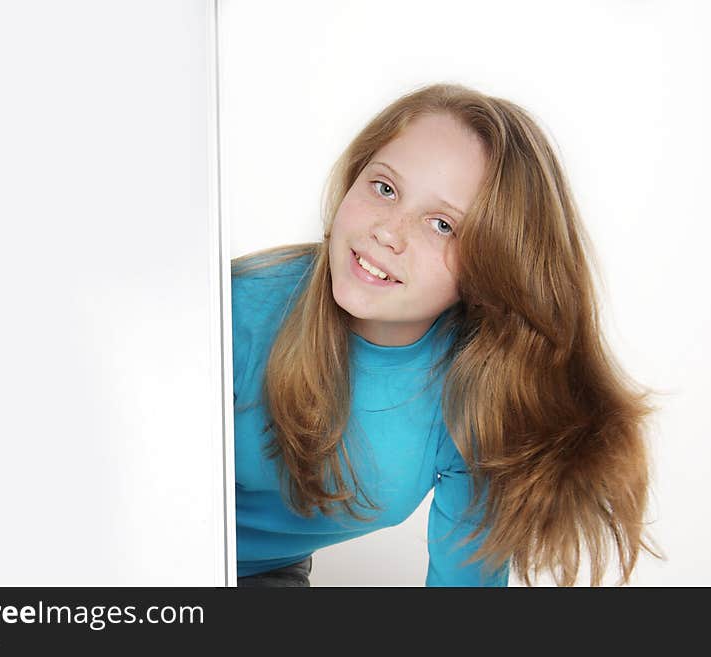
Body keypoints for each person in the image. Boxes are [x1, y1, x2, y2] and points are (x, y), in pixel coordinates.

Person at [231, 82, 665, 587]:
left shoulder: (477, 402)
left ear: (489, 271)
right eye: (385, 188)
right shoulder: (242, 308)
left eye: (441, 225)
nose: (388, 232)